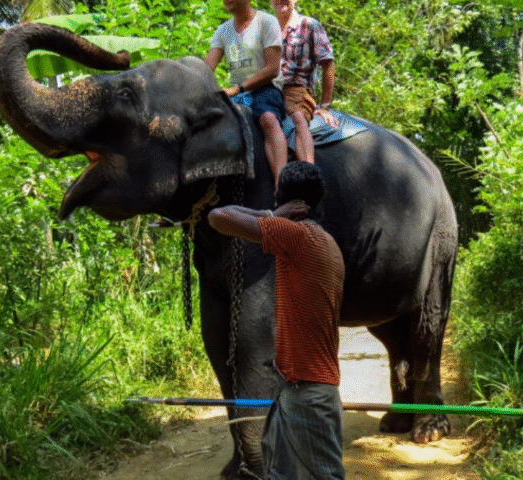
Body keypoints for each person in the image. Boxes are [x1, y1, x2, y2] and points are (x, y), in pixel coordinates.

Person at [208, 162, 345, 480]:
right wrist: (274, 214)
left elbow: (219, 216)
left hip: (308, 394)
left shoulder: (297, 236)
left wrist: (272, 214)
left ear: (284, 197)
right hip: (296, 388)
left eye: (277, 190)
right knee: (279, 474)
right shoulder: (322, 240)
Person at [205, 0, 288, 187]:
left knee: (268, 119)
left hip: (266, 88)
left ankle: (282, 186)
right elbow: (207, 68)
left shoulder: (266, 22)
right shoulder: (223, 30)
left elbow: (272, 69)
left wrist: (238, 88)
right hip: (238, 94)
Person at [271, 0, 339, 165]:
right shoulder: (267, 28)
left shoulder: (309, 25)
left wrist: (325, 106)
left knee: (297, 119)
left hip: (297, 90)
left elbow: (328, 65)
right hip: (268, 89)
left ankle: (308, 171)